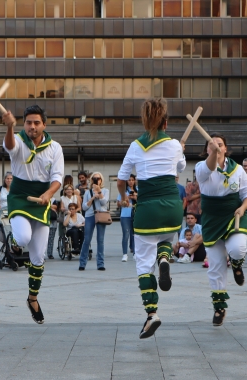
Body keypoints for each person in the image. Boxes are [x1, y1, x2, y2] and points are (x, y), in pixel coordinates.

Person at [117, 98, 185, 339]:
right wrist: (181, 152)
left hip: (147, 209)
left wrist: (124, 197)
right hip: (172, 207)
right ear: (166, 122)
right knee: (168, 236)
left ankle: (151, 314)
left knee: (144, 264)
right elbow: (180, 168)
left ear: (145, 122)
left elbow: (121, 179)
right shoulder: (175, 144)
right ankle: (165, 257)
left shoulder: (136, 146)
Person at [3, 104, 64, 324]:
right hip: (19, 197)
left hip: (42, 200)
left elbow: (57, 177)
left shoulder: (55, 147)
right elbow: (10, 146)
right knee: (23, 238)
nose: (32, 126)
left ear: (44, 125)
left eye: (37, 122)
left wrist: (49, 194)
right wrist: (10, 127)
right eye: (28, 122)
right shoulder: (18, 140)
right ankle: (15, 240)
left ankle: (32, 298)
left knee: (38, 258)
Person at [196, 133, 247, 326]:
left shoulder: (237, 169)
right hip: (212, 219)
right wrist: (214, 151)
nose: (216, 147)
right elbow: (210, 167)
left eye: (220, 144)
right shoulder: (201, 168)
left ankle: (237, 264)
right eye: (212, 145)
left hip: (234, 215)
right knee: (216, 266)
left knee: (238, 249)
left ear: (226, 148)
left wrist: (243, 207)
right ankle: (219, 308)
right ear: (207, 149)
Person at [79, 171, 110, 271]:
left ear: (101, 180)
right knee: (87, 239)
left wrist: (99, 192)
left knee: (100, 240)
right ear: (91, 180)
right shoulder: (88, 192)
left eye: (99, 178)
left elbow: (104, 202)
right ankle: (82, 263)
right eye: (95, 178)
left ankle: (100, 263)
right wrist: (92, 197)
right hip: (90, 216)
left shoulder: (105, 190)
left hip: (101, 215)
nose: (97, 180)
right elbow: (84, 207)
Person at [118, 174, 137, 262]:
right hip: (125, 214)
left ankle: (135, 253)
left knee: (135, 235)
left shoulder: (138, 190)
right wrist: (126, 199)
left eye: (132, 180)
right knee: (126, 234)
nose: (130, 182)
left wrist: (135, 197)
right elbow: (119, 203)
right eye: (129, 180)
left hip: (136, 214)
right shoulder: (123, 192)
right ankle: (125, 254)